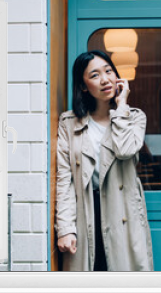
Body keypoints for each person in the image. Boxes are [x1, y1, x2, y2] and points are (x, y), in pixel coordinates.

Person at [55, 50, 154, 271]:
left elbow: (126, 150)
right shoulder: (69, 123)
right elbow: (65, 180)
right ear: (83, 86)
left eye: (109, 71)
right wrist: (65, 228)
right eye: (95, 75)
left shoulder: (134, 116)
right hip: (86, 212)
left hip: (123, 213)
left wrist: (121, 107)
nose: (105, 79)